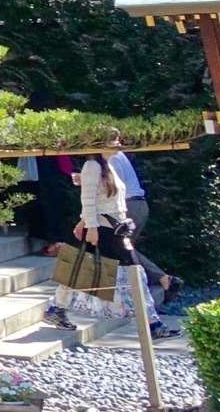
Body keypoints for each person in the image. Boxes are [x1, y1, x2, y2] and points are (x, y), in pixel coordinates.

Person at [43, 132, 177, 339]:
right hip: (105, 229)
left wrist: (84, 223)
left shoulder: (107, 165)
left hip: (112, 227)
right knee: (133, 272)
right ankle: (152, 323)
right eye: (113, 140)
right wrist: (91, 227)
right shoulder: (93, 167)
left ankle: (56, 309)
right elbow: (88, 200)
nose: (118, 144)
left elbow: (100, 198)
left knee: (81, 269)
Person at [107, 139, 179, 306]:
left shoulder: (112, 159)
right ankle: (158, 281)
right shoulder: (120, 155)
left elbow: (115, 188)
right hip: (139, 203)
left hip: (128, 206)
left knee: (120, 247)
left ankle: (157, 281)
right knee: (125, 248)